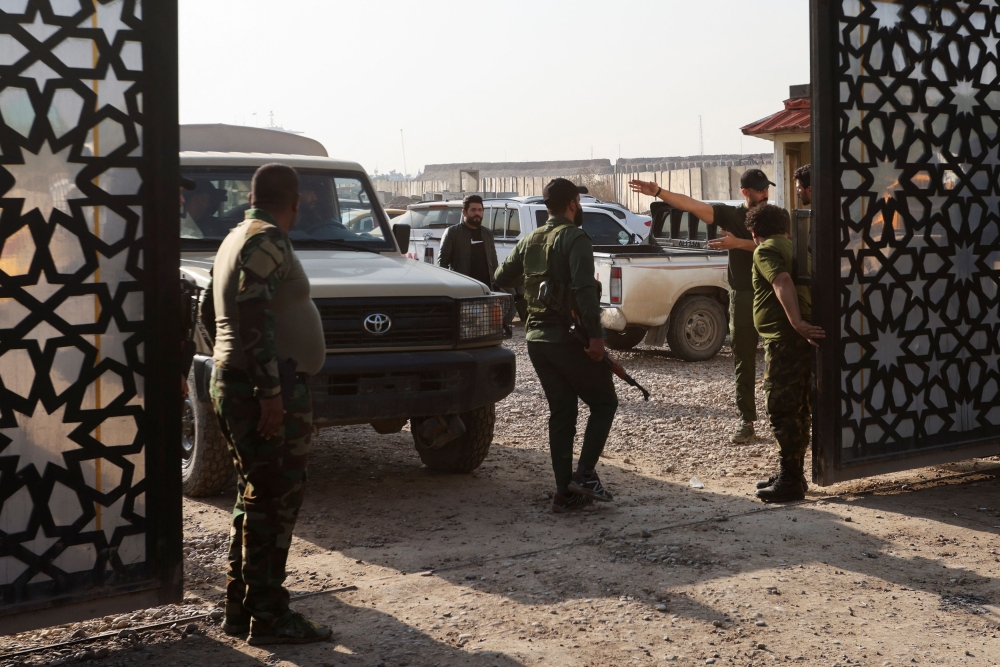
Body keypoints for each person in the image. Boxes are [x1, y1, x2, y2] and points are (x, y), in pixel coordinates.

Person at [204, 163, 331, 645]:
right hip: (262, 387)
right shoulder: (266, 238)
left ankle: (242, 609)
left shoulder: (236, 235)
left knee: (254, 496)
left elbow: (211, 311)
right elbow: (252, 307)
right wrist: (270, 392)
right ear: (295, 201)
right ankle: (270, 615)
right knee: (274, 502)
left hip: (241, 380)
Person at [495, 178, 618, 513]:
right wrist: (596, 337)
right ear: (574, 202)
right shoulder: (575, 238)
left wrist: (531, 298)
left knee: (562, 411)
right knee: (605, 402)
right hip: (566, 338)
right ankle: (586, 475)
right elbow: (583, 290)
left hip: (537, 341)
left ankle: (564, 493)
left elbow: (501, 277)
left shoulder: (530, 238)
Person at [629, 169, 779, 445]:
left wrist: (738, 244)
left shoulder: (776, 215)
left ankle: (781, 419)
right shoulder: (731, 215)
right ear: (746, 193)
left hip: (772, 293)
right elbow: (692, 204)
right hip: (743, 294)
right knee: (743, 361)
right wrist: (659, 192)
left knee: (777, 358)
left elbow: (781, 245)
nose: (765, 194)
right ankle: (747, 421)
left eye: (766, 188)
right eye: (759, 190)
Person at [743, 204, 824, 502]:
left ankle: (790, 479)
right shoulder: (794, 246)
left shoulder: (764, 251)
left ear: (754, 233)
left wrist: (797, 323)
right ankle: (793, 473)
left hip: (785, 341)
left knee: (781, 407)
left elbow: (782, 282)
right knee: (799, 408)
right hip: (797, 341)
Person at [438, 194, 498, 289]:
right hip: (462, 288)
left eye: (480, 210)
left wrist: (496, 285)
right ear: (464, 212)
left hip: (486, 289)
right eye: (473, 210)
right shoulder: (452, 233)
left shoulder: (488, 234)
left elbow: (494, 263)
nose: (477, 213)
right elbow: (442, 264)